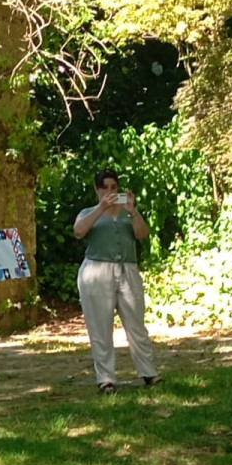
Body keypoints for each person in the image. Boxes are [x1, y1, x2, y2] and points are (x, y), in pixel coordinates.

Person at [73, 169, 160, 394]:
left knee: (136, 323)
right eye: (106, 188)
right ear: (97, 189)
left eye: (114, 188)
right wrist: (101, 207)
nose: (110, 192)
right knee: (100, 326)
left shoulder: (127, 213)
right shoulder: (88, 212)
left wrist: (132, 212)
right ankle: (105, 379)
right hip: (96, 271)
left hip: (127, 270)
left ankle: (148, 372)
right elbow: (79, 231)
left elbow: (142, 234)